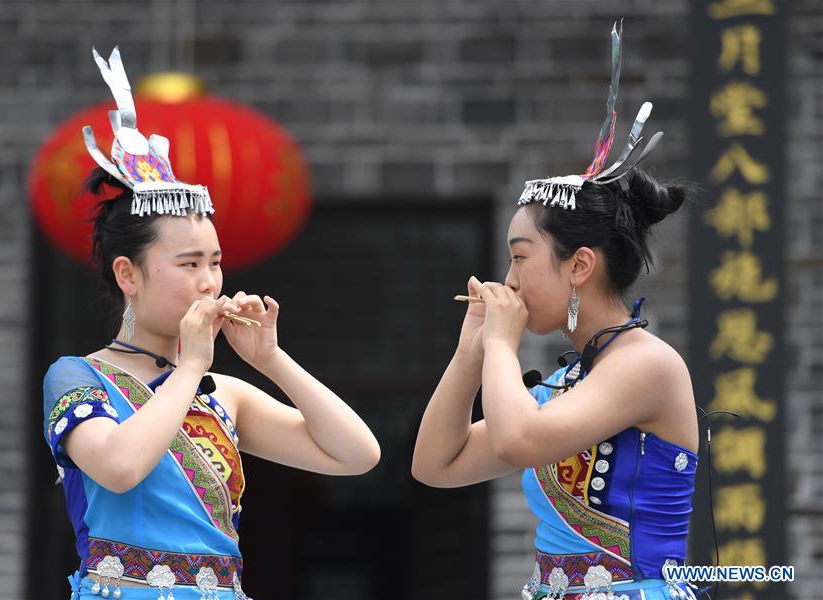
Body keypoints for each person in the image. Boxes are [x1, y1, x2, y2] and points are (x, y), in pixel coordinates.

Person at [43, 47, 380, 600]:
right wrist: (193, 363)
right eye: (188, 264)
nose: (209, 282)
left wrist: (271, 360)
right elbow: (120, 466)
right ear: (128, 274)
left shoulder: (224, 393)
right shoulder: (76, 377)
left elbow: (357, 455)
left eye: (215, 262)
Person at [412, 23, 700, 600]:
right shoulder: (571, 381)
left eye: (520, 257)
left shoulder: (647, 365)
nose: (509, 278)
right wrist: (472, 351)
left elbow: (520, 441)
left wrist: (501, 345)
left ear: (579, 266)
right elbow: (435, 465)